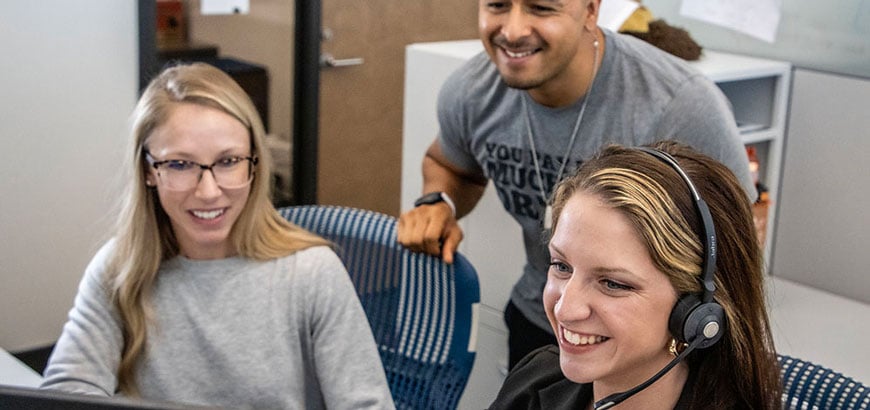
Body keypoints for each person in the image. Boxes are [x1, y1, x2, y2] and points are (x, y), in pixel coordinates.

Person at [396, 0, 757, 369]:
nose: (513, 30)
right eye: (498, 5)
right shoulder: (472, 91)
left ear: (590, 11)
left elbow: (735, 249)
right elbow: (450, 164)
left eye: (540, 8)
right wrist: (437, 203)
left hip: (652, 345)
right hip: (541, 316)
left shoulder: (679, 105)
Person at [41, 63, 395, 410]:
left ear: (254, 164)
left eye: (228, 162)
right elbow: (66, 392)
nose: (209, 192)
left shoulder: (312, 275)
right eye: (180, 165)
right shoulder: (120, 268)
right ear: (149, 170)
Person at [487, 141, 782, 409]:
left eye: (613, 284)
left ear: (697, 313)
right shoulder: (535, 380)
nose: (565, 308)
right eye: (561, 266)